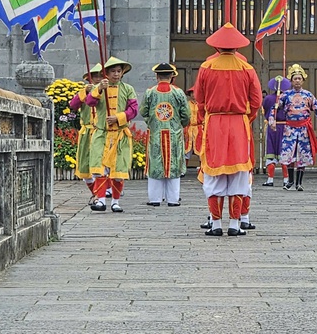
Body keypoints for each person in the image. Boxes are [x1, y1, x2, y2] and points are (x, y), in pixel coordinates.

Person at [195, 23, 262, 237]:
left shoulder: (207, 67)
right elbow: (256, 101)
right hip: (239, 124)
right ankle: (234, 224)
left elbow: (200, 99)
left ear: (216, 46)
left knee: (214, 173)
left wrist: (206, 117)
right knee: (238, 174)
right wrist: (245, 118)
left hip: (214, 123)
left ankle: (215, 225)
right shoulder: (247, 68)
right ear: (237, 47)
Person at [86, 56, 138, 213]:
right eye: (113, 71)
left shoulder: (128, 89)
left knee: (118, 170)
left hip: (120, 134)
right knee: (99, 168)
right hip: (101, 133)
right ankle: (101, 200)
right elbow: (90, 102)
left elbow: (134, 109)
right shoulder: (99, 88)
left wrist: (118, 117)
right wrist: (99, 89)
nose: (116, 74)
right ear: (106, 73)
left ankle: (115, 201)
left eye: (119, 71)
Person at [140, 63, 190, 207]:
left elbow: (143, 111)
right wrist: (180, 124)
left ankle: (155, 199)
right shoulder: (178, 93)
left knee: (155, 164)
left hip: (156, 134)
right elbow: (186, 114)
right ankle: (173, 199)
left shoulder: (150, 92)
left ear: (157, 76)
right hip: (174, 134)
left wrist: (151, 121)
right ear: (172, 77)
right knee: (174, 164)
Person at [273, 64, 317, 191]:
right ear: (291, 81)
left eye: (299, 78)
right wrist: (272, 120)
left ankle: (299, 183)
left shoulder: (308, 95)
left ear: (303, 80)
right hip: (290, 129)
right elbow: (274, 110)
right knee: (289, 155)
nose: (297, 81)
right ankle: (290, 181)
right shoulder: (285, 95)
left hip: (303, 130)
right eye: (295, 78)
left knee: (302, 156)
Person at [68, 63, 102, 203]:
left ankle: (104, 194)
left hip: (101, 131)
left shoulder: (108, 91)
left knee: (100, 166)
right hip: (87, 132)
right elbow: (73, 105)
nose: (98, 79)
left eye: (101, 76)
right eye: (95, 76)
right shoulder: (85, 91)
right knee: (85, 167)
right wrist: (84, 92)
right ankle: (96, 193)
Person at [261, 76, 291, 186]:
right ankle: (286, 180)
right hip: (284, 127)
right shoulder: (288, 98)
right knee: (284, 151)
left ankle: (270, 179)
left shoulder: (268, 99)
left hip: (272, 127)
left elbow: (264, 111)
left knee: (271, 150)